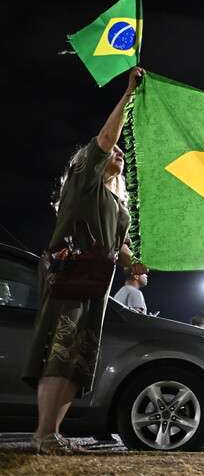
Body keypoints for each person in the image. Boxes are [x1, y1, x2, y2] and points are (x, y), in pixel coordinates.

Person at [21, 67, 146, 454]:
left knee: (79, 360)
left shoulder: (116, 203)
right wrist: (128, 96)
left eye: (123, 153)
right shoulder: (83, 180)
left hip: (96, 284)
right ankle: (42, 434)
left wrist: (133, 263)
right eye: (114, 151)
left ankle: (54, 434)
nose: (118, 153)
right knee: (59, 353)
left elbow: (119, 244)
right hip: (71, 275)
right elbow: (106, 139)